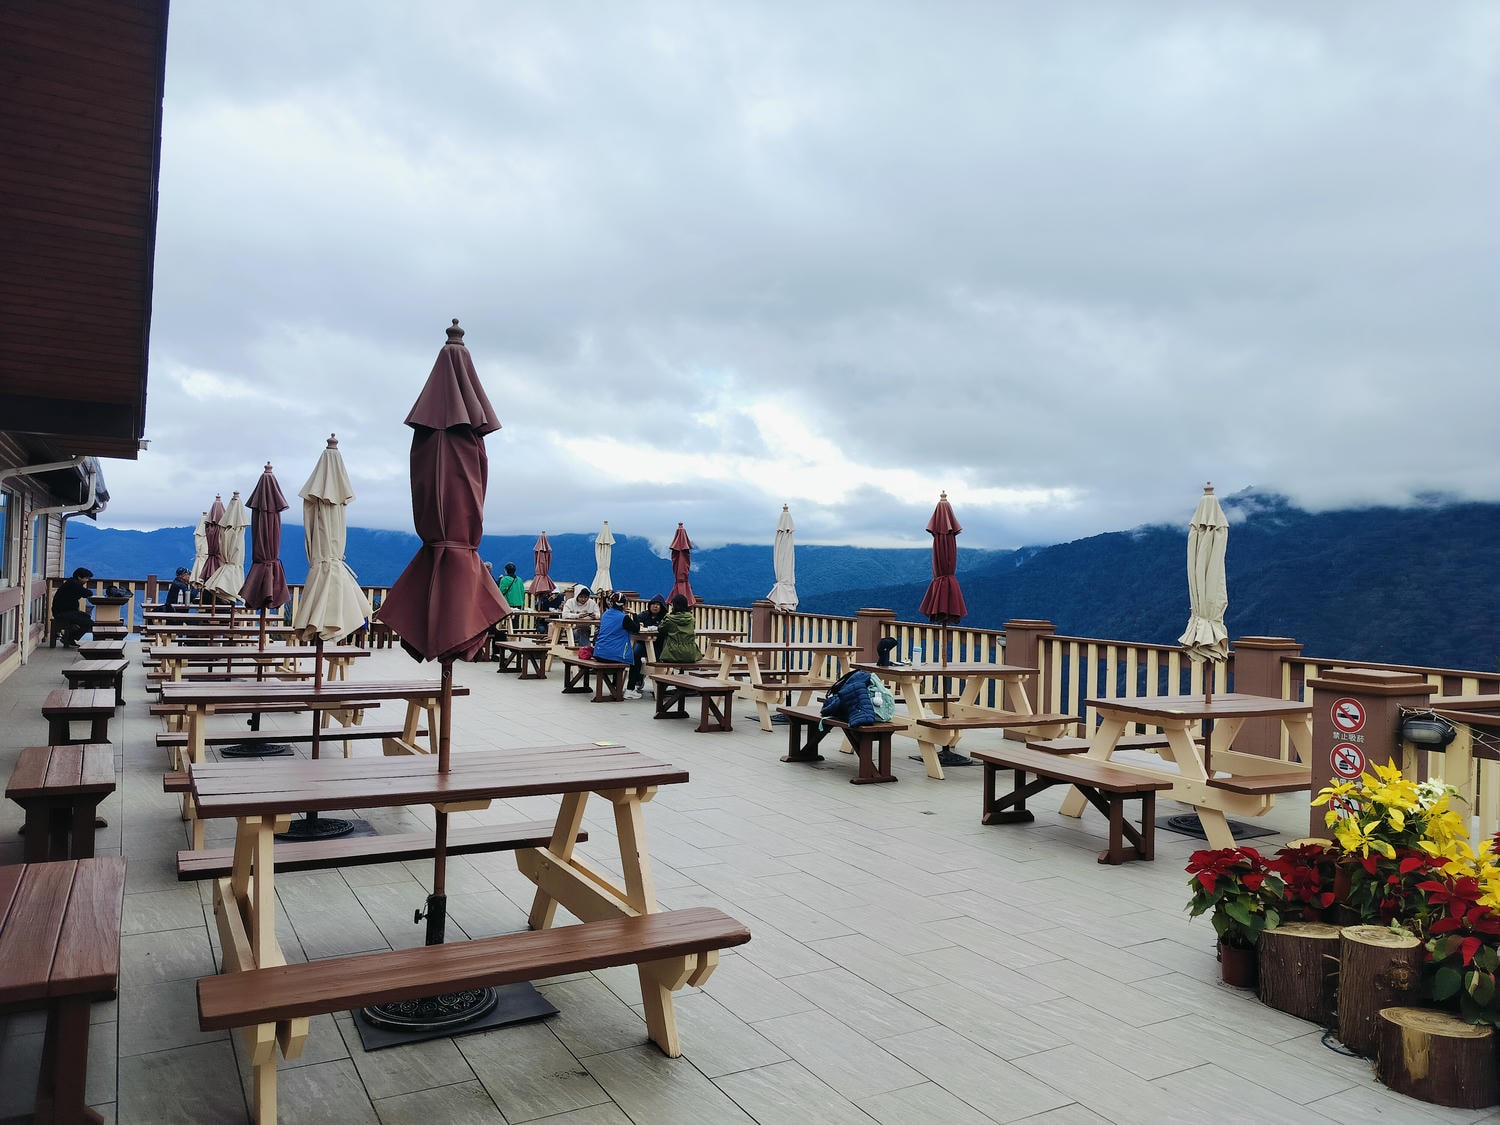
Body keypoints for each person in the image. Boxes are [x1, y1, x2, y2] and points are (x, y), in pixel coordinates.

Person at [593, 592, 648, 698]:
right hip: (612, 654)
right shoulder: (623, 617)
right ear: (623, 605)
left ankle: (615, 687)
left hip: (599, 652)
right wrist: (634, 614)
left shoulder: (605, 614)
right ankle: (630, 689)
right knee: (634, 660)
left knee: (619, 653)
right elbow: (636, 629)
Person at [51, 566, 95, 647]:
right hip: (62, 613)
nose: (87, 580)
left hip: (63, 611)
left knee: (86, 617)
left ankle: (69, 636)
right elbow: (87, 593)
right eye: (86, 578)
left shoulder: (71, 582)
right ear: (79, 577)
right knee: (89, 623)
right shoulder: (74, 584)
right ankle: (69, 638)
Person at [655, 594, 702, 663]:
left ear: (674, 605)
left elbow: (660, 629)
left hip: (671, 654)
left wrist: (667, 616)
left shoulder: (669, 619)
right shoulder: (691, 619)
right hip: (690, 654)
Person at [633, 594, 669, 663]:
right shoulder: (644, 615)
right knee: (635, 655)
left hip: (658, 644)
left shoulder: (664, 618)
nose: (655, 606)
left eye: (658, 605)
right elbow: (635, 623)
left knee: (658, 660)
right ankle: (636, 673)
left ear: (661, 607)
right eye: (653, 604)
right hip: (643, 643)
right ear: (649, 605)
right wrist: (639, 624)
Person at [496, 562, 525, 636]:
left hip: (508, 603)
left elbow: (501, 591)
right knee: (516, 621)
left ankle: (508, 635)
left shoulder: (504, 579)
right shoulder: (519, 579)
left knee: (508, 621)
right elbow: (522, 592)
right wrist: (523, 603)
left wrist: (499, 579)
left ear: (506, 570)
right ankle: (515, 636)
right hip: (519, 603)